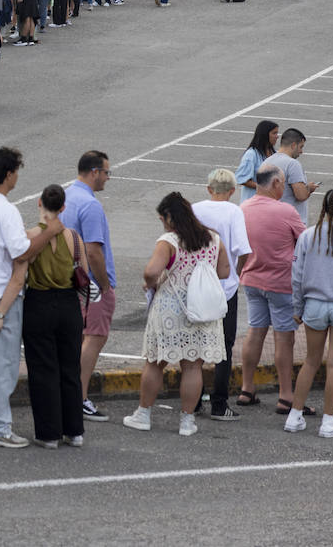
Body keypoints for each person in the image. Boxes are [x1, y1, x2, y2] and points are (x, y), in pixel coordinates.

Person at [0, 147, 62, 447]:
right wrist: (49, 231)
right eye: (16, 170)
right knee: (3, 363)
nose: (18, 175)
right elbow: (22, 252)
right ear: (8, 174)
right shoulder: (6, 209)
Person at [122, 193, 229, 437]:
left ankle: (144, 414)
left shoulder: (169, 241)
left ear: (169, 217)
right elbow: (224, 271)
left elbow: (151, 271)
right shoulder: (213, 238)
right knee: (193, 366)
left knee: (155, 362)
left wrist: (153, 282)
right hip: (202, 309)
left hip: (172, 307)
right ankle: (187, 421)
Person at [237, 164, 306, 410]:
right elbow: (304, 240)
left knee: (255, 332)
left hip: (252, 280)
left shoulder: (242, 208)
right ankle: (286, 395)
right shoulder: (285, 211)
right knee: (284, 338)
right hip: (280, 283)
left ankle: (247, 388)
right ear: (276, 183)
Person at [21, 185, 85, 448]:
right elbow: (85, 272)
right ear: (63, 207)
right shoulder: (74, 237)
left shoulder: (32, 235)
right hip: (69, 303)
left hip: (39, 301)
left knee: (43, 368)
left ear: (39, 202)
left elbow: (22, 265)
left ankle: (49, 433)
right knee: (70, 367)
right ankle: (75, 430)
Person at [287, 190, 333, 438]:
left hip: (314, 304)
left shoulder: (307, 236)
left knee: (311, 362)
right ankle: (328, 421)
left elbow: (297, 276)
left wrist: (297, 307)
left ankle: (294, 416)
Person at [191, 168, 252, 421]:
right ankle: (219, 403)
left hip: (196, 286)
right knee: (224, 347)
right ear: (232, 191)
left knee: (194, 346)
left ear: (209, 189)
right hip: (224, 287)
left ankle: (193, 399)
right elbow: (244, 249)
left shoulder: (195, 209)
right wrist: (235, 274)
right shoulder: (233, 211)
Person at [61, 150, 115, 423]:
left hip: (69, 281)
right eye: (107, 172)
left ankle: (70, 393)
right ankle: (79, 398)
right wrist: (105, 286)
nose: (107, 178)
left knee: (76, 340)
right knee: (94, 338)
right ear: (94, 172)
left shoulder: (67, 196)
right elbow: (94, 251)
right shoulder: (91, 205)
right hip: (91, 285)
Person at [265, 127, 319, 225]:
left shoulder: (266, 162)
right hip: (291, 223)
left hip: (270, 219)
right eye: (301, 147)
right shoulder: (292, 164)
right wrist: (309, 188)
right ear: (293, 145)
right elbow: (301, 195)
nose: (301, 151)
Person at [235, 120, 279, 202]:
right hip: (252, 203)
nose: (277, 136)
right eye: (274, 133)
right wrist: (263, 188)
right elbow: (241, 178)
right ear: (265, 135)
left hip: (270, 202)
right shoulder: (251, 155)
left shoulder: (275, 154)